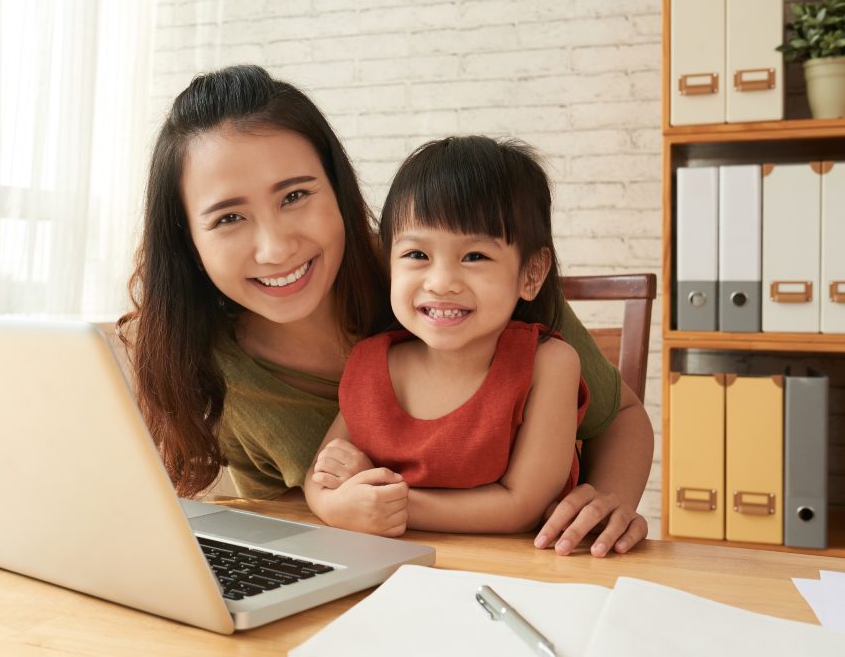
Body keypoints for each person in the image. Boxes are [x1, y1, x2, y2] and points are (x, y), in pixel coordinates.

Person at [120, 65, 653, 556]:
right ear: (188, 240)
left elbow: (620, 416)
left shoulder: (465, 288)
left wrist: (607, 503)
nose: (276, 248)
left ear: (338, 188)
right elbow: (293, 524)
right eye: (228, 218)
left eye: (295, 196)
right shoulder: (214, 369)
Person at [304, 135, 586, 537]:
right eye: (417, 255)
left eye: (475, 256)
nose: (441, 283)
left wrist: (383, 499)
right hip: (394, 572)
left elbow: (522, 506)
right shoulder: (370, 362)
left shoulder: (549, 363)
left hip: (515, 576)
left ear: (531, 274)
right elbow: (319, 476)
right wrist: (338, 506)